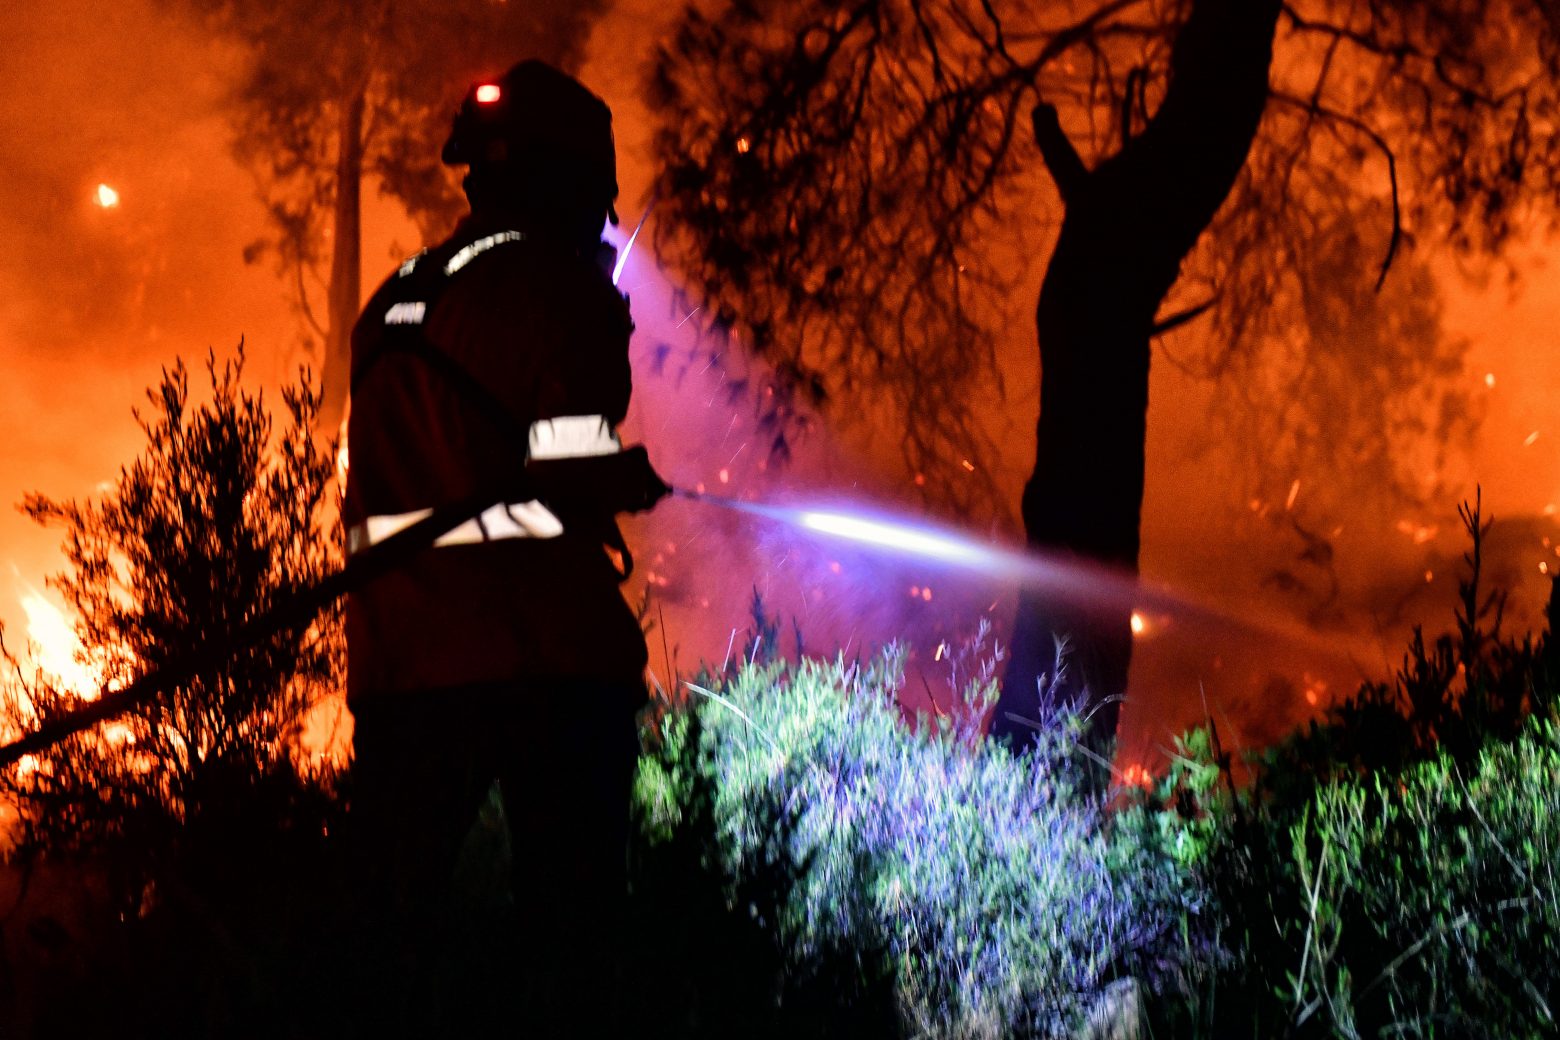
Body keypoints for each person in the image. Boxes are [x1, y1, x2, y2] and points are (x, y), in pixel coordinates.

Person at [340, 58, 668, 1035]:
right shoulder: (558, 289)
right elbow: (569, 466)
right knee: (572, 941)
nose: (603, 219)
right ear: (569, 180)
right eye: (596, 193)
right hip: (542, 663)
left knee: (387, 944)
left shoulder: (396, 297)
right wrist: (625, 477)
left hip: (400, 664)